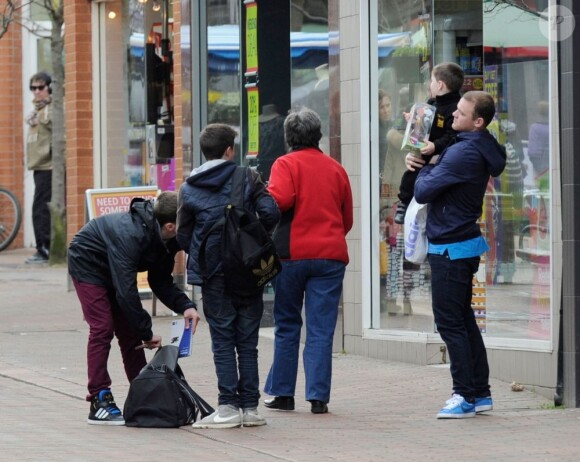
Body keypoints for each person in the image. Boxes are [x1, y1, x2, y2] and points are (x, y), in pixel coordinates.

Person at [407, 91, 506, 418]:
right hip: (461, 242)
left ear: (478, 122)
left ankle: (464, 395)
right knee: (463, 321)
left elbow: (422, 191)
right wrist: (432, 160)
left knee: (450, 323)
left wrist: (423, 169)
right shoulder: (477, 145)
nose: (452, 117)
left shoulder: (464, 153)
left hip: (449, 244)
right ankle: (480, 393)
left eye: (460, 114)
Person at [176, 123, 280, 429]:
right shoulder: (247, 177)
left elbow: (182, 235)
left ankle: (228, 405)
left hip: (213, 274)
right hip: (248, 269)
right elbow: (271, 212)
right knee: (247, 340)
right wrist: (253, 240)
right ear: (229, 150)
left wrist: (203, 249)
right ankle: (250, 407)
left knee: (222, 339)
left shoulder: (189, 186)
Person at [68, 191, 200, 426]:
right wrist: (147, 332)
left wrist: (186, 306)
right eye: (186, 223)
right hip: (88, 262)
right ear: (170, 225)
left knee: (130, 334)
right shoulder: (131, 234)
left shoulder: (169, 240)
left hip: (114, 271)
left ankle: (144, 393)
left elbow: (160, 281)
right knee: (103, 328)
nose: (189, 229)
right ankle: (99, 399)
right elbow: (126, 292)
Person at [263, 107, 353, 415]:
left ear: (288, 137)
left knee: (287, 324)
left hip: (290, 254)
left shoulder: (284, 164)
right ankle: (318, 397)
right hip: (330, 255)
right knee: (321, 328)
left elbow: (280, 202)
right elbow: (347, 219)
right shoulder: (336, 169)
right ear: (318, 135)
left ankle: (283, 393)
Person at [394, 62, 464, 224]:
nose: (429, 85)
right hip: (423, 151)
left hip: (439, 155)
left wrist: (435, 146)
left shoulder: (455, 108)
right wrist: (412, 120)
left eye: (431, 81)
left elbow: (451, 135)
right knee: (410, 174)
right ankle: (404, 203)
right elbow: (423, 123)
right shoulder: (432, 103)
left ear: (440, 85)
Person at [25, 72, 53, 263]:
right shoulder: (37, 111)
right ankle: (44, 248)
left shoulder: (50, 109)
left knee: (41, 209)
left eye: (40, 87)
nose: (37, 92)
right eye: (33, 88)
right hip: (39, 166)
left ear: (49, 88)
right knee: (40, 208)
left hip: (49, 167)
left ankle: (44, 249)